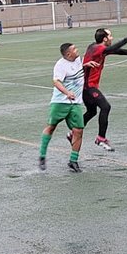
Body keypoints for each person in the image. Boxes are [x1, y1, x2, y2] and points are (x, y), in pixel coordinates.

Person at [83, 29, 127, 151]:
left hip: (87, 87)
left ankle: (73, 132)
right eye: (110, 36)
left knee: (91, 112)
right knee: (105, 107)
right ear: (105, 39)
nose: (112, 38)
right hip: (88, 88)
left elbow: (118, 51)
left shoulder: (95, 47)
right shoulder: (98, 48)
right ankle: (101, 138)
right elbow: (114, 48)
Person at [39, 43, 89, 173]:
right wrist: (67, 93)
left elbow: (78, 69)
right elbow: (56, 81)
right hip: (60, 102)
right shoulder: (60, 65)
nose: (77, 50)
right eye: (74, 49)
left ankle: (73, 161)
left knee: (78, 130)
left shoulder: (78, 60)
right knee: (51, 127)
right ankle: (42, 156)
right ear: (68, 54)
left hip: (76, 103)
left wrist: (86, 65)